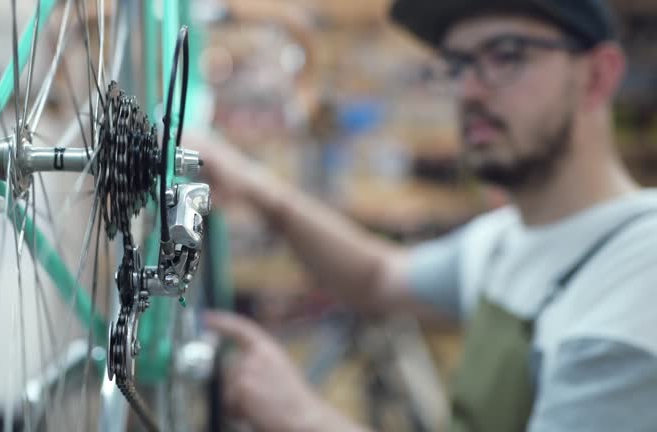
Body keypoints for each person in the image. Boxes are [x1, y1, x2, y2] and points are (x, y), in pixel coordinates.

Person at [195, 1, 657, 431]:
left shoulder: (638, 272)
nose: (469, 89)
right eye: (457, 64)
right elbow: (377, 276)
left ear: (597, 76)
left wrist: (305, 417)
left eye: (507, 56)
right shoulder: (507, 240)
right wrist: (259, 189)